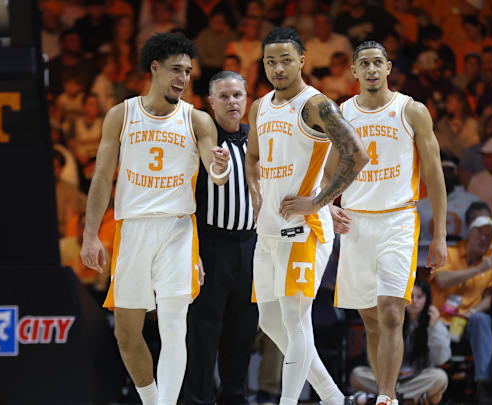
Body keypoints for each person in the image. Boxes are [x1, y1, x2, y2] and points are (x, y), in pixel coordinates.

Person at [80, 33, 231, 405]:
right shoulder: (121, 115)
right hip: (132, 228)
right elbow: (101, 178)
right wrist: (89, 234)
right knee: (126, 336)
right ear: (154, 68)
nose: (183, 78)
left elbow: (215, 172)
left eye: (188, 72)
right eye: (176, 70)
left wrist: (220, 169)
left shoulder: (197, 120)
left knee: (174, 327)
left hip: (178, 229)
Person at [245, 27, 369, 405]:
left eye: (286, 60)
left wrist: (318, 203)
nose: (278, 68)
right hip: (267, 230)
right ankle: (334, 398)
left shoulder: (317, 105)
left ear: (302, 60)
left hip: (305, 229)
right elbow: (252, 157)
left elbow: (357, 156)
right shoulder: (260, 105)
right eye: (270, 61)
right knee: (269, 322)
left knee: (296, 323)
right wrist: (255, 194)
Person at [332, 40, 448, 405]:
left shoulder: (411, 111)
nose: (370, 70)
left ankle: (386, 398)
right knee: (369, 319)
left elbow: (435, 175)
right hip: (355, 222)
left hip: (398, 219)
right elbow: (327, 170)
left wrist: (440, 234)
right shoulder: (341, 113)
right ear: (353, 71)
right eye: (363, 64)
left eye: (376, 63)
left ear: (388, 67)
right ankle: (388, 390)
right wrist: (324, 206)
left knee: (392, 312)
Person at [183, 71, 258, 405]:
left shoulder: (256, 139)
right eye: (224, 96)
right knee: (203, 333)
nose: (232, 102)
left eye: (238, 95)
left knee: (242, 333)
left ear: (247, 99)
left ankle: (234, 398)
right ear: (210, 102)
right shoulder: (201, 139)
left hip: (251, 247)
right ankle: (196, 399)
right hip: (212, 246)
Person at [430, 216, 492, 403]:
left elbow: (489, 298)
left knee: (482, 319)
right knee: (427, 320)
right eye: (480, 234)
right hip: (440, 320)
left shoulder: (490, 265)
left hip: (466, 321)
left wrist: (472, 311)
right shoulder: (449, 253)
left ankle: (483, 384)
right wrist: (478, 269)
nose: (484, 239)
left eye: (489, 236)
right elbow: (442, 280)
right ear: (469, 235)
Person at [349, 282, 451, 405]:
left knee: (440, 378)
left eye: (419, 297)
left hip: (415, 378)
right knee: (357, 375)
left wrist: (433, 328)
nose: (414, 301)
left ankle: (381, 397)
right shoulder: (391, 317)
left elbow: (441, 359)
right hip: (387, 377)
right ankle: (411, 399)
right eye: (411, 296)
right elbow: (375, 353)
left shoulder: (434, 324)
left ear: (427, 299)